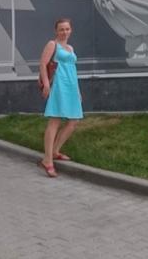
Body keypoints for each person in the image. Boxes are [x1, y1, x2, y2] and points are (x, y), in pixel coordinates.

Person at [38, 18, 83, 178]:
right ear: (56, 31)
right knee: (55, 121)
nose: (64, 32)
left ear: (71, 30)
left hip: (71, 86)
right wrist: (46, 84)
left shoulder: (70, 48)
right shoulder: (52, 44)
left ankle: (55, 151)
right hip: (59, 85)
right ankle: (47, 160)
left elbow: (73, 69)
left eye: (67, 29)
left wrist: (77, 91)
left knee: (74, 121)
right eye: (61, 29)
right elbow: (43, 64)